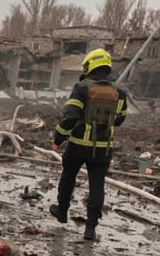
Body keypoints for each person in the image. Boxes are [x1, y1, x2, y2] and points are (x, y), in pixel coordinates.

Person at [49, 48, 128, 241]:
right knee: (97, 185)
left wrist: (58, 138)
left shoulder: (82, 88)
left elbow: (70, 117)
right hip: (103, 149)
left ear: (91, 65)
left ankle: (62, 212)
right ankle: (90, 228)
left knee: (68, 177)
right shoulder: (119, 91)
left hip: (77, 145)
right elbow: (119, 120)